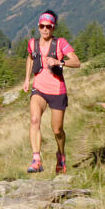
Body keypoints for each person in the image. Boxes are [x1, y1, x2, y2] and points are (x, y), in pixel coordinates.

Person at [22, 10, 81, 173]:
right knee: (34, 120)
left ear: (53, 28)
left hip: (57, 90)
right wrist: (27, 78)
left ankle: (61, 155)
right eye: (42, 26)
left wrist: (59, 62)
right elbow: (30, 58)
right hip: (39, 89)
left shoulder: (60, 43)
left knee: (57, 130)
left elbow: (77, 62)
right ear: (38, 26)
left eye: (48, 26)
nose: (45, 29)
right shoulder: (32, 43)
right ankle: (36, 160)